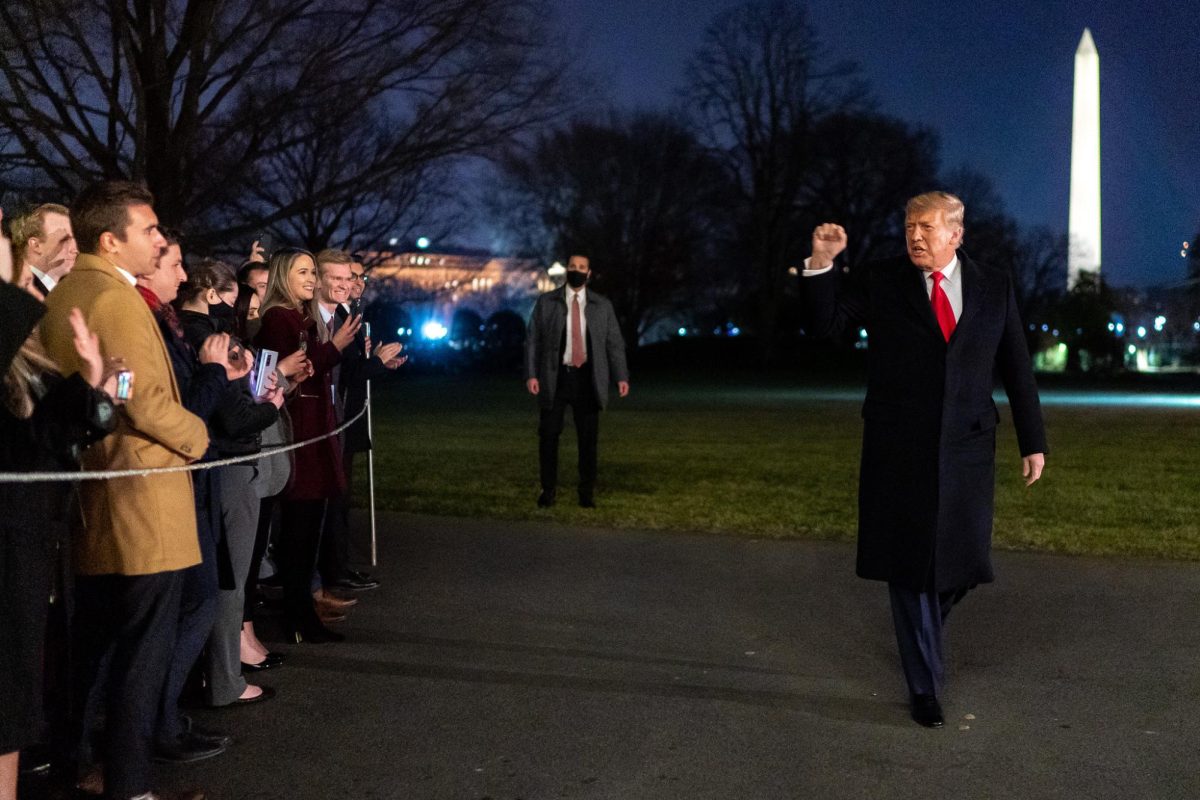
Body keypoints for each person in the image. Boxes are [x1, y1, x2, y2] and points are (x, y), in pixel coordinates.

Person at [802, 191, 1047, 729]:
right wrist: (823, 264)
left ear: (956, 234)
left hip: (968, 446)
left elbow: (1016, 366)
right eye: (910, 226)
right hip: (899, 446)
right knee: (909, 564)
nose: (915, 236)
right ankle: (924, 687)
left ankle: (923, 632)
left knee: (962, 562)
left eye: (927, 228)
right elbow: (826, 330)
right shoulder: (880, 280)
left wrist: (1034, 441)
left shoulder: (993, 284)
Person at [38, 181, 210, 800]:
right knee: (140, 657)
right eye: (151, 231)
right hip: (140, 498)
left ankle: (80, 768)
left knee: (98, 649)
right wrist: (199, 435)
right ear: (111, 240)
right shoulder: (111, 298)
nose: (162, 240)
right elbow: (142, 398)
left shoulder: (81, 289)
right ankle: (130, 786)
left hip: (109, 497)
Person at [1, 242, 117, 800]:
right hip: (10, 541)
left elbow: (41, 433)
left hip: (29, 536)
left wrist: (91, 390)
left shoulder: (22, 348)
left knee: (14, 703)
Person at [253, 248, 360, 643]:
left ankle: (304, 612)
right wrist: (333, 348)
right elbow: (288, 371)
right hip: (298, 434)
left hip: (316, 432)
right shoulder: (278, 319)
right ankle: (297, 616)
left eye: (314, 271)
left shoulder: (303, 318)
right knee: (298, 532)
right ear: (284, 275)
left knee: (309, 529)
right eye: (304, 271)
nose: (312, 278)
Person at [314, 251, 403, 597]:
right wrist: (375, 362)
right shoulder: (334, 317)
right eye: (349, 277)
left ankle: (339, 564)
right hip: (337, 416)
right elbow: (343, 370)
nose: (355, 283)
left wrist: (379, 362)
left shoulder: (351, 315)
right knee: (334, 495)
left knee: (341, 495)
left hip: (348, 414)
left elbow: (352, 368)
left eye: (360, 278)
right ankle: (333, 569)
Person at [524, 254, 629, 508]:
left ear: (589, 273)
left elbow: (614, 343)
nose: (577, 271)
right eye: (573, 267)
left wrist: (621, 376)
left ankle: (586, 492)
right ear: (566, 270)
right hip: (555, 377)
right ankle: (548, 490)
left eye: (582, 268)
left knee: (588, 438)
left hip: (588, 379)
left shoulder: (602, 306)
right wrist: (531, 373)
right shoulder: (547, 302)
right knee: (548, 435)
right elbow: (532, 340)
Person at [10, 204, 78, 299]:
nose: (75, 250)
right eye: (64, 240)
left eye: (74, 239)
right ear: (36, 245)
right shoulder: (20, 294)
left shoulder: (68, 290)